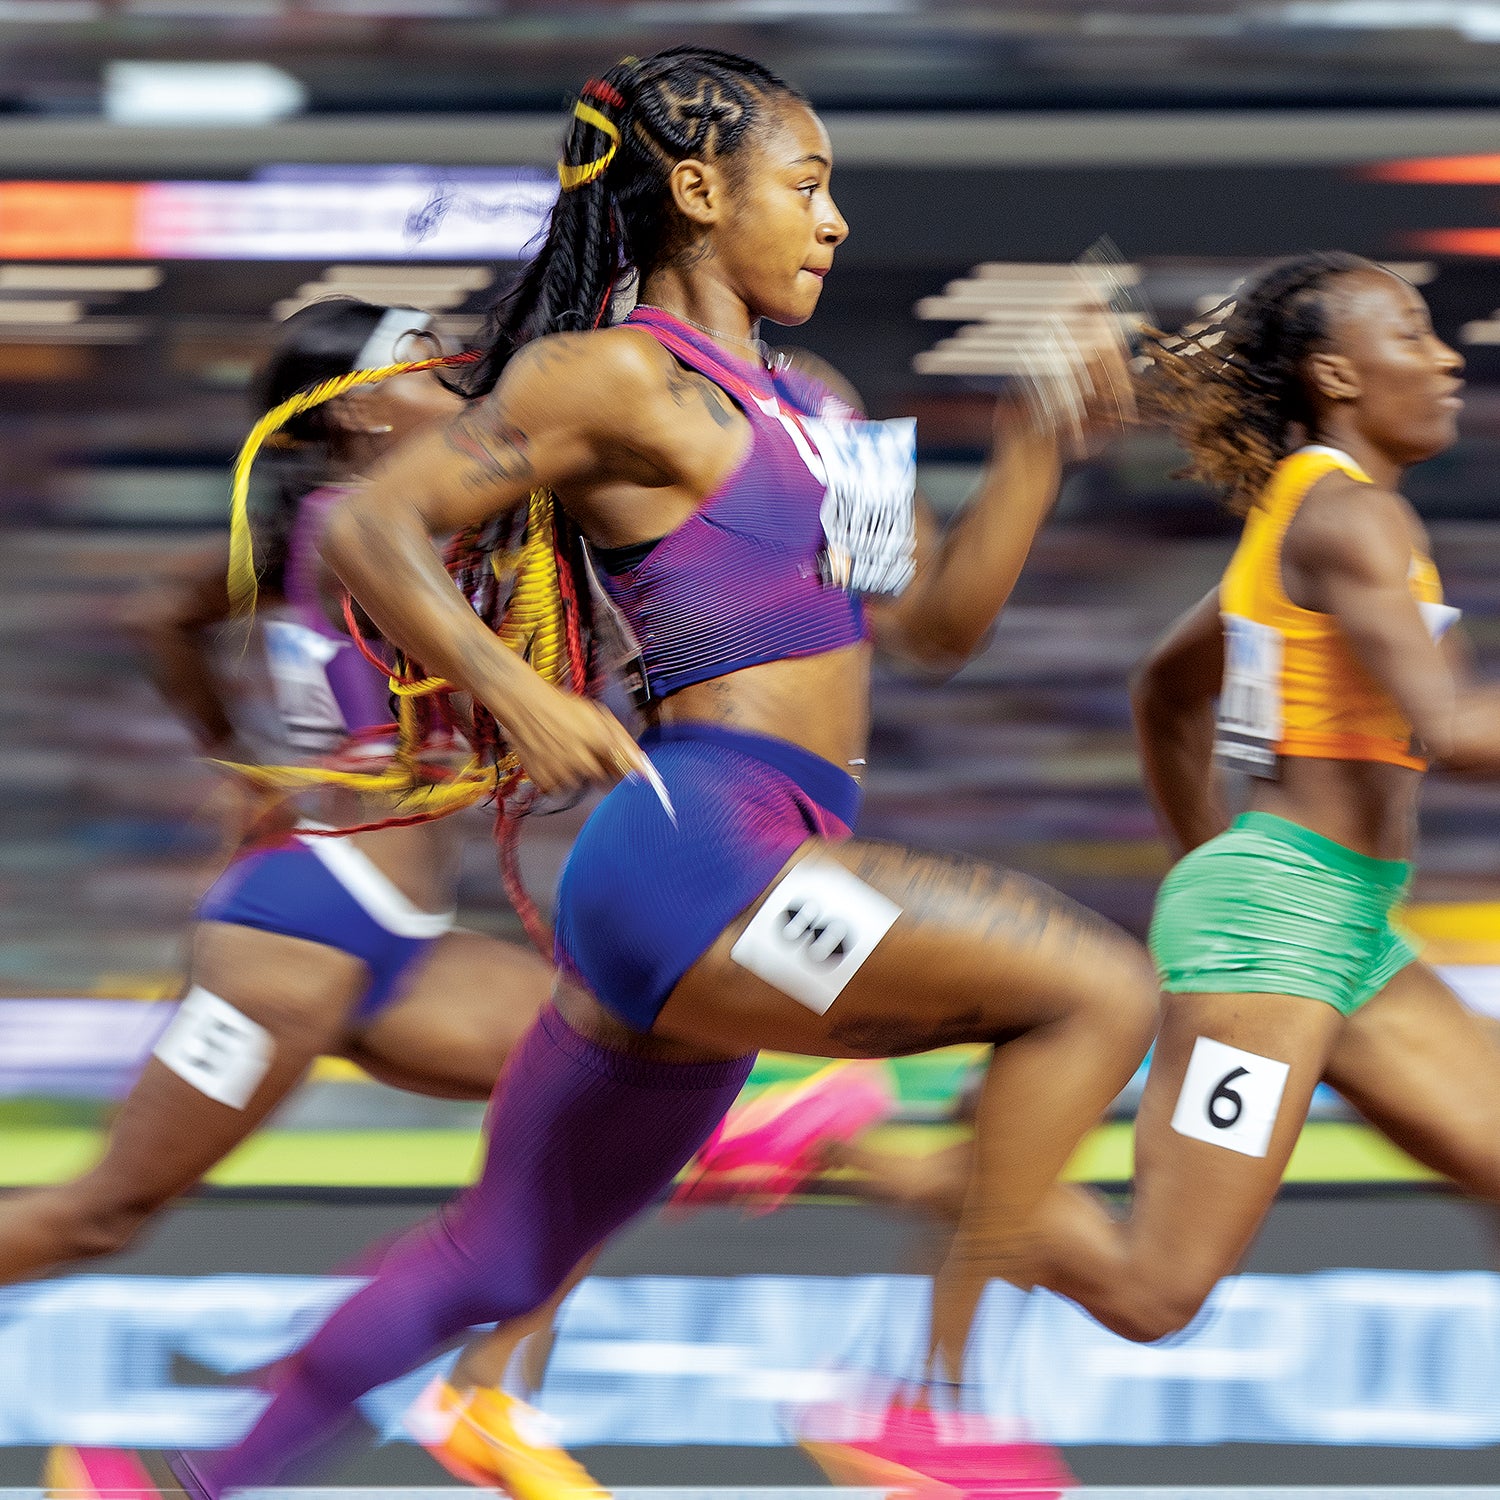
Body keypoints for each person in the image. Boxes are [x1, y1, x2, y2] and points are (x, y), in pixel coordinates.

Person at [170, 46, 1159, 1499]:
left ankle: (175, 1485)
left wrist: (1031, 448)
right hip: (713, 851)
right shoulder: (620, 376)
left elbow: (935, 630)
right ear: (700, 191)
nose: (835, 222)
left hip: (720, 876)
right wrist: (512, 686)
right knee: (1102, 992)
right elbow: (380, 523)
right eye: (807, 185)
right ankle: (927, 1399)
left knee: (499, 1253)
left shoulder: (820, 400)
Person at [0, 296, 555, 1309]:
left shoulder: (336, 524)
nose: (460, 383)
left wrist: (237, 759)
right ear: (358, 414)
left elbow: (165, 615)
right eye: (428, 369)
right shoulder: (362, 527)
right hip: (303, 932)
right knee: (103, 1213)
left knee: (615, 1077)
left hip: (406, 941)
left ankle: (455, 1379)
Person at [1001, 251, 1500, 1346]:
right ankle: (881, 1162)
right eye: (1412, 335)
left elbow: (1165, 696)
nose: (1447, 358)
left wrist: (1210, 862)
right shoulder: (1352, 523)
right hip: (1280, 932)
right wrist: (1239, 894)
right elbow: (1455, 732)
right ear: (1339, 375)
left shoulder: (1301, 517)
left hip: (1331, 917)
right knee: (1152, 1292)